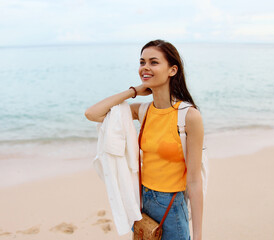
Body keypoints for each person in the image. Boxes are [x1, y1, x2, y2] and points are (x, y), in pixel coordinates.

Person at [85, 39, 204, 240]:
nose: (145, 67)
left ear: (172, 70)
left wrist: (199, 236)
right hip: (142, 200)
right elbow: (92, 113)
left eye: (153, 62)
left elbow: (194, 181)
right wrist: (134, 91)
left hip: (171, 205)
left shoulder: (189, 116)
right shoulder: (143, 111)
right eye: (142, 62)